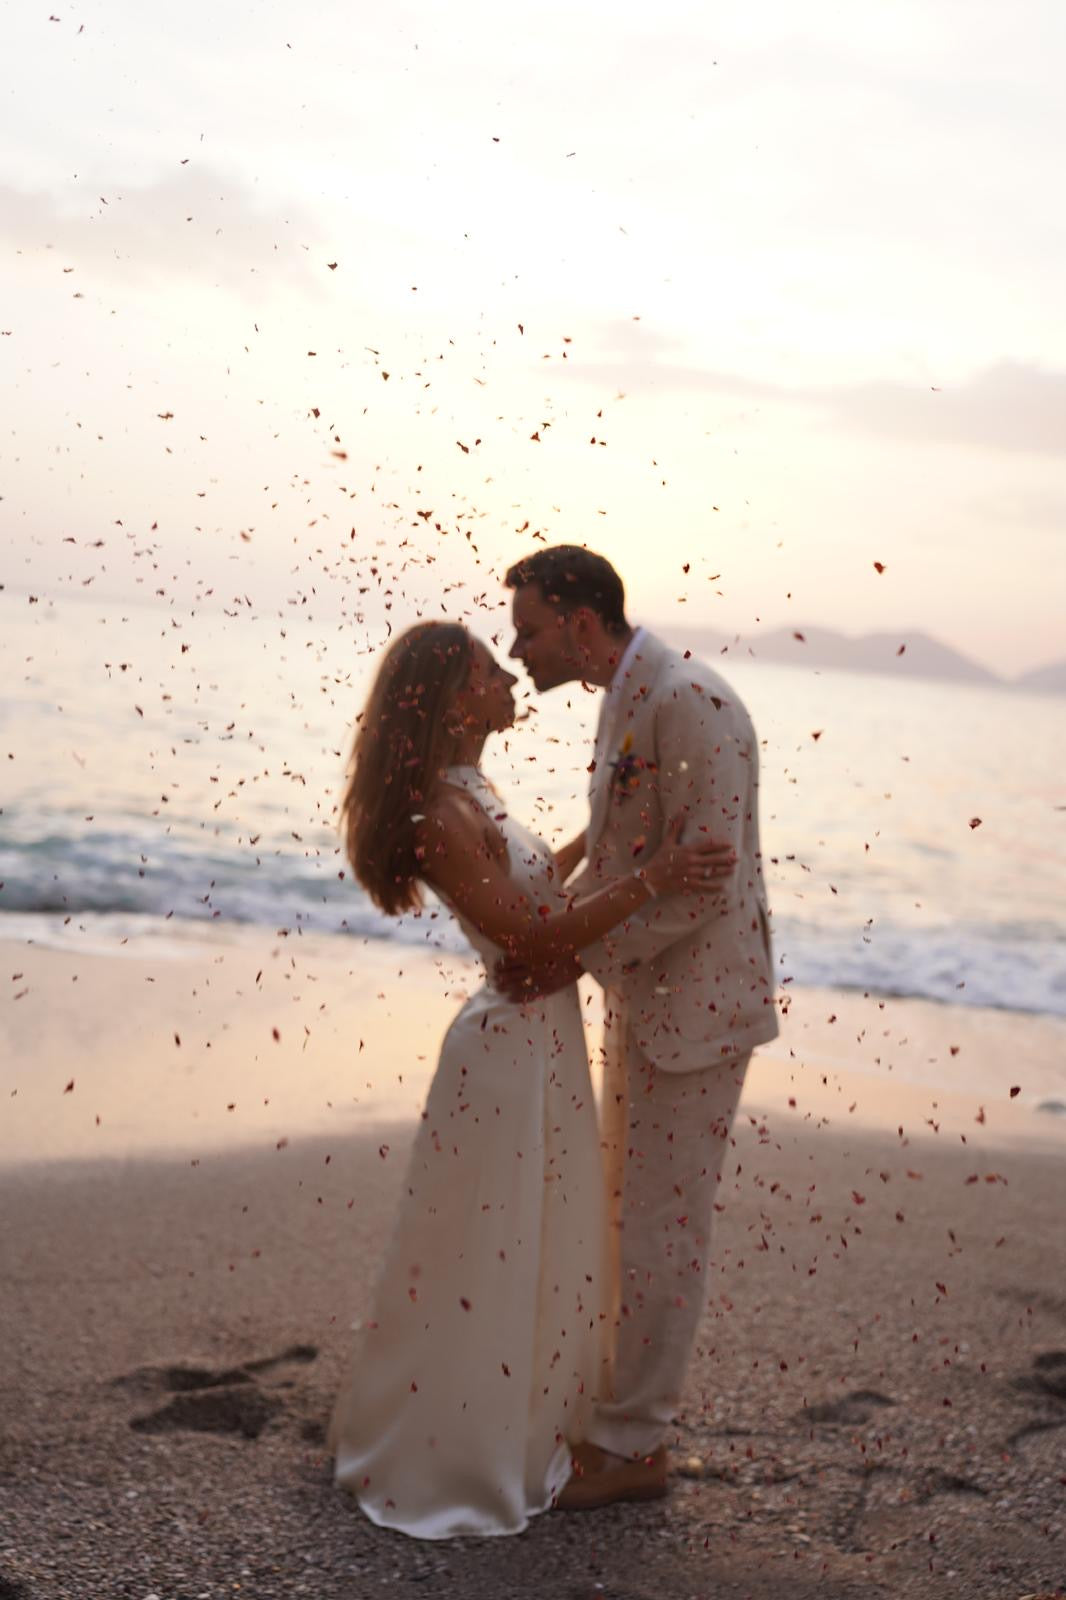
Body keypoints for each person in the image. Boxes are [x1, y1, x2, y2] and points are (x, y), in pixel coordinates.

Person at [328, 619, 735, 1539]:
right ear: (451, 697)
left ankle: (529, 1422)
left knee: (541, 1241)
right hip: (505, 1053)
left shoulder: (473, 791)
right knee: (494, 1248)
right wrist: (661, 873)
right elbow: (525, 941)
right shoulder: (435, 813)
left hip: (540, 1039)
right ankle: (463, 1449)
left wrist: (600, 835)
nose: (509, 668)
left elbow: (530, 893)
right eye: (486, 662)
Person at [499, 546, 779, 1510]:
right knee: (623, 1216)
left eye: (528, 627)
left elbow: (707, 884)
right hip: (646, 1000)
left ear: (581, 622)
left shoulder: (688, 701)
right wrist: (551, 920)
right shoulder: (629, 691)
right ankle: (616, 1417)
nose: (516, 646)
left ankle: (636, 1447)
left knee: (661, 1230)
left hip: (697, 1012)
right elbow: (633, 855)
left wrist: (572, 955)